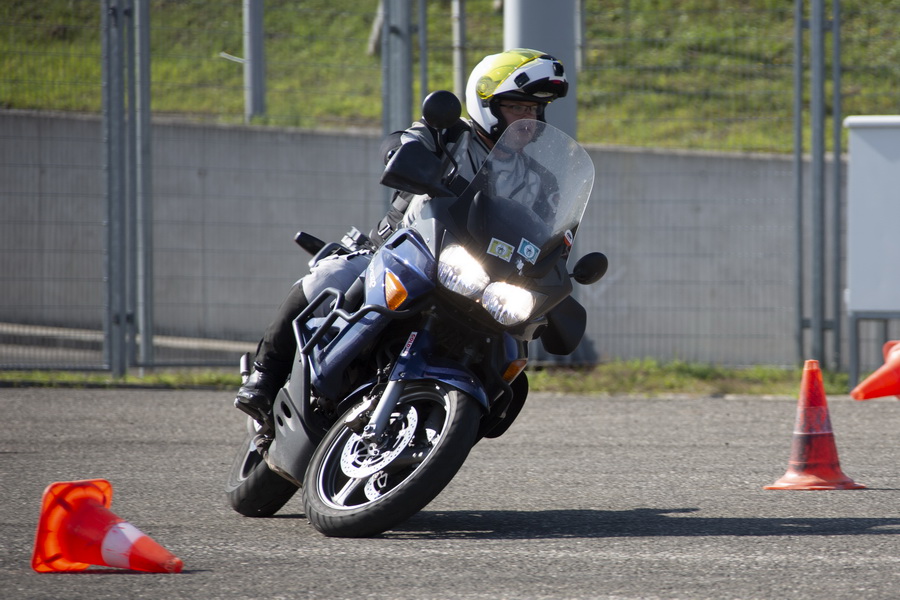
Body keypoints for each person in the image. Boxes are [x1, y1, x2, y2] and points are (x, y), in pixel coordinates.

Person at [235, 48, 569, 425]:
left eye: (534, 110)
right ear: (487, 104)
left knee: (507, 353)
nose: (528, 119)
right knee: (329, 277)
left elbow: (549, 237)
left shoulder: (542, 181)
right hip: (400, 251)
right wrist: (405, 153)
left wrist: (556, 270)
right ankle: (264, 376)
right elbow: (398, 144)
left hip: (475, 280)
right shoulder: (448, 135)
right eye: (517, 108)